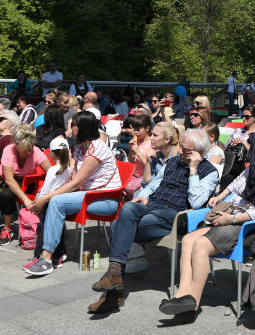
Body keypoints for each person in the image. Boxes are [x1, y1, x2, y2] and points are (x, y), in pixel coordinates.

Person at [84, 128, 217, 312]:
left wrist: (193, 170)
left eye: (185, 150)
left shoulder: (209, 172)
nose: (179, 151)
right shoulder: (172, 162)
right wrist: (144, 195)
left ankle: (113, 293)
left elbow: (196, 202)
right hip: (151, 206)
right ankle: (114, 280)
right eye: (180, 147)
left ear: (198, 153)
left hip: (173, 216)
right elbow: (153, 184)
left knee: (117, 226)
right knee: (129, 208)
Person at [158, 133, 255, 318]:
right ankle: (182, 295)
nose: (248, 149)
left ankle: (193, 303)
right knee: (188, 240)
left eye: (252, 147)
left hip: (243, 224)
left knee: (200, 245)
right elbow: (234, 184)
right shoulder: (251, 170)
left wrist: (232, 219)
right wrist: (220, 196)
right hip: (227, 214)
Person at [25, 112, 121, 277]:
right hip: (87, 194)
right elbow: (72, 174)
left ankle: (46, 258)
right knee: (51, 201)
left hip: (104, 199)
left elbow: (75, 182)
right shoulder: (78, 147)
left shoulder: (96, 149)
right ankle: (54, 254)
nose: (69, 129)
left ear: (81, 127)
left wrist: (44, 198)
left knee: (55, 201)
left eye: (73, 125)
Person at [0, 122, 51, 246]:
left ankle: (7, 229)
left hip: (26, 179)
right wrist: (26, 200)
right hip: (6, 177)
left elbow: (51, 171)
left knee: (7, 195)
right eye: (25, 150)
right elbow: (9, 179)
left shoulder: (35, 151)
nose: (28, 153)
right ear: (17, 146)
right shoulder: (9, 150)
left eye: (30, 149)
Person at [21, 136, 74, 272]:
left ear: (51, 153)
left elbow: (45, 190)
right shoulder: (68, 169)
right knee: (57, 229)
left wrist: (36, 201)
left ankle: (39, 255)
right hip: (59, 200)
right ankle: (58, 256)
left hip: (46, 201)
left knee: (44, 230)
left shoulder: (52, 170)